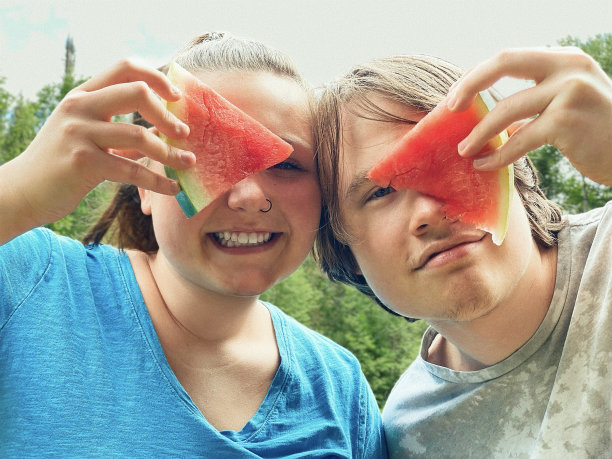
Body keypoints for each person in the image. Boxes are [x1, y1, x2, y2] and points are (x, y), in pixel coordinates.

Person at [0, 32, 387, 458]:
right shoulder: (29, 279)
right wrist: (19, 196)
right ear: (143, 186)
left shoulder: (340, 387)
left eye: (285, 163)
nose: (249, 196)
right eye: (208, 158)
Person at [314, 46, 612, 457]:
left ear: (514, 165)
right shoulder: (407, 435)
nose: (428, 212)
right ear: (346, 254)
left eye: (452, 159)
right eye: (381, 191)